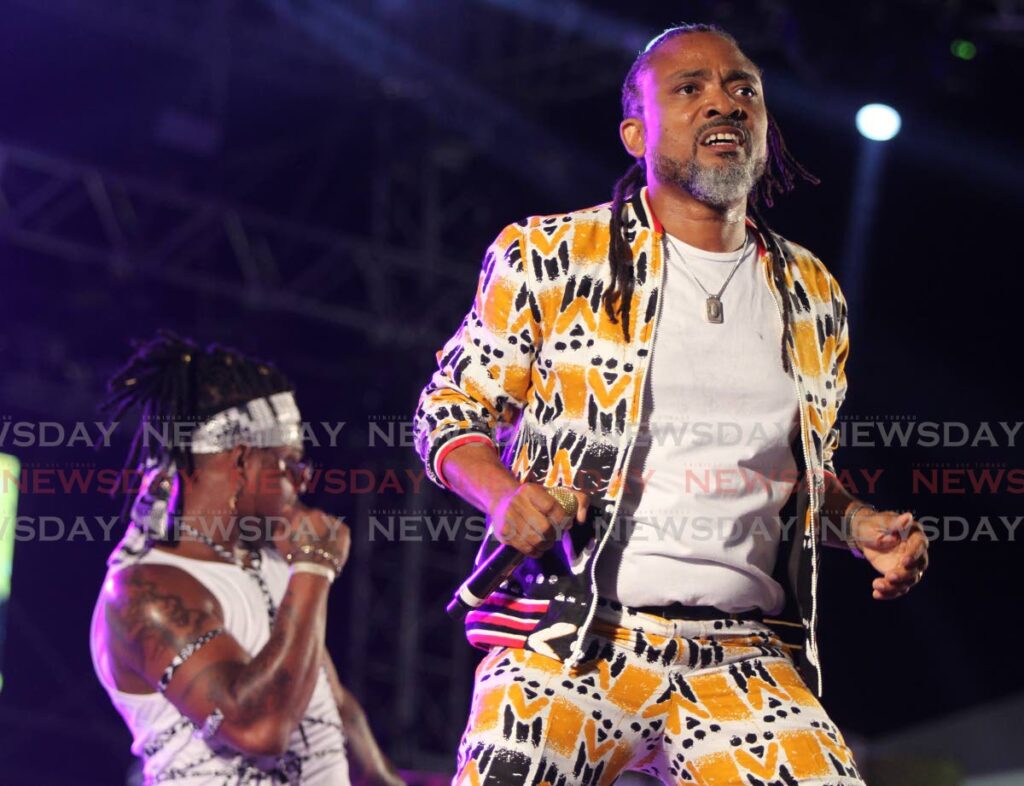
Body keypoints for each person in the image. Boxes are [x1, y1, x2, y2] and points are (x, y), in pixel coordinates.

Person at [414, 24, 929, 786]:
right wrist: (504, 496)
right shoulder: (552, 254)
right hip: (571, 641)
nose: (722, 102)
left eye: (741, 88)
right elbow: (448, 411)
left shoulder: (812, 292)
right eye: (689, 89)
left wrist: (861, 526)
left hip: (744, 655)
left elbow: (802, 476)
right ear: (635, 133)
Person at [90, 331, 403, 786]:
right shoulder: (144, 591)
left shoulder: (274, 563)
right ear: (241, 461)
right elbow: (258, 727)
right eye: (291, 463)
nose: (303, 479)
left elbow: (331, 705)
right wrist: (316, 567)